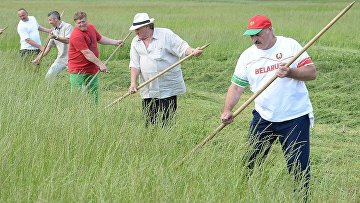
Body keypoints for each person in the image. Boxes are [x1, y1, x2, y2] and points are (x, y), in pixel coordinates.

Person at [220, 15, 316, 199]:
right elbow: (236, 86)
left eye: (258, 34)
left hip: (294, 117)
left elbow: (312, 73)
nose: (255, 39)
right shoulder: (247, 56)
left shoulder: (290, 46)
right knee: (250, 161)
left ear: (270, 30)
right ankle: (242, 195)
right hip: (263, 116)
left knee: (298, 166)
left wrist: (291, 72)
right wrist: (227, 110)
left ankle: (302, 198)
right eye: (251, 35)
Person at [128, 13, 203, 127]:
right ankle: (150, 139)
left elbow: (182, 47)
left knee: (167, 121)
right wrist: (133, 83)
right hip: (148, 87)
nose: (136, 32)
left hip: (167, 87)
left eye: (138, 29)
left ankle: (166, 140)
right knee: (149, 121)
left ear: (147, 26)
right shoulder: (135, 42)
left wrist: (192, 51)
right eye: (135, 29)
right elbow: (134, 64)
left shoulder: (165, 35)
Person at [68, 11, 123, 103]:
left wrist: (115, 42)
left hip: (91, 68)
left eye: (83, 21)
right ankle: (76, 112)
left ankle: (94, 111)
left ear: (87, 20)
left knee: (94, 93)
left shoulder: (91, 28)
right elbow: (87, 53)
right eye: (79, 23)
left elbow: (100, 38)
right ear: (75, 23)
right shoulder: (76, 35)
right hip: (77, 70)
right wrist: (101, 64)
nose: (82, 24)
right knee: (76, 94)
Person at [32, 11, 73, 80]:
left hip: (72, 59)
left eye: (50, 20)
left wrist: (56, 37)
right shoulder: (53, 31)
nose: (49, 22)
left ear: (56, 19)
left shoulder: (68, 26)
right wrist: (38, 58)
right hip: (61, 59)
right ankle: (47, 90)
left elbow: (68, 40)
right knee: (48, 77)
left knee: (76, 80)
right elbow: (47, 48)